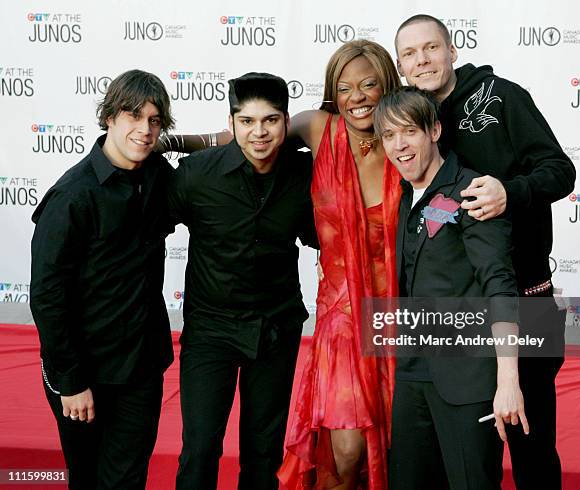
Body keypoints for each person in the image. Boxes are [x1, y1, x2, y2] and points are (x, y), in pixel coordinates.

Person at [161, 40, 403, 489]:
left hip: (348, 318)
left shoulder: (398, 142)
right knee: (204, 450)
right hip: (273, 324)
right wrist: (164, 142)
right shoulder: (207, 172)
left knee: (275, 449)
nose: (358, 96)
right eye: (346, 86)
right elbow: (239, 139)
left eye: (369, 84)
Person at [394, 14, 575, 489]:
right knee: (464, 465)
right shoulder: (412, 125)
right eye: (410, 54)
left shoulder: (500, 96)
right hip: (455, 321)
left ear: (453, 50)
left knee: (532, 452)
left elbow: (561, 170)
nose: (423, 60)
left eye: (431, 48)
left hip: (524, 299)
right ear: (401, 67)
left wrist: (509, 192)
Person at [168, 72, 318, 490]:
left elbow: (322, 235)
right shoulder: (197, 175)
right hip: (211, 330)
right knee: (200, 448)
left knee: (263, 452)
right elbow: (144, 230)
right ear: (231, 123)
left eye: (270, 120)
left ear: (286, 123)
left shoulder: (304, 173)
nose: (259, 132)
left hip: (275, 328)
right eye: (247, 121)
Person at [375, 85, 527, 489]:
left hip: (468, 380)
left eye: (409, 131)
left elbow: (499, 284)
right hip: (412, 374)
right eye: (389, 136)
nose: (399, 145)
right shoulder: (405, 197)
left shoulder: (472, 190)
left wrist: (508, 381)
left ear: (435, 131)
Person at [30, 69, 175, 490]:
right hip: (85, 373)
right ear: (109, 117)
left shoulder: (158, 176)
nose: (145, 130)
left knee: (127, 482)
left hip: (142, 368)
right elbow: (47, 296)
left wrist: (181, 142)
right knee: (89, 481)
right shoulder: (72, 196)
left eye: (154, 121)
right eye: (133, 116)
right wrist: (71, 382)